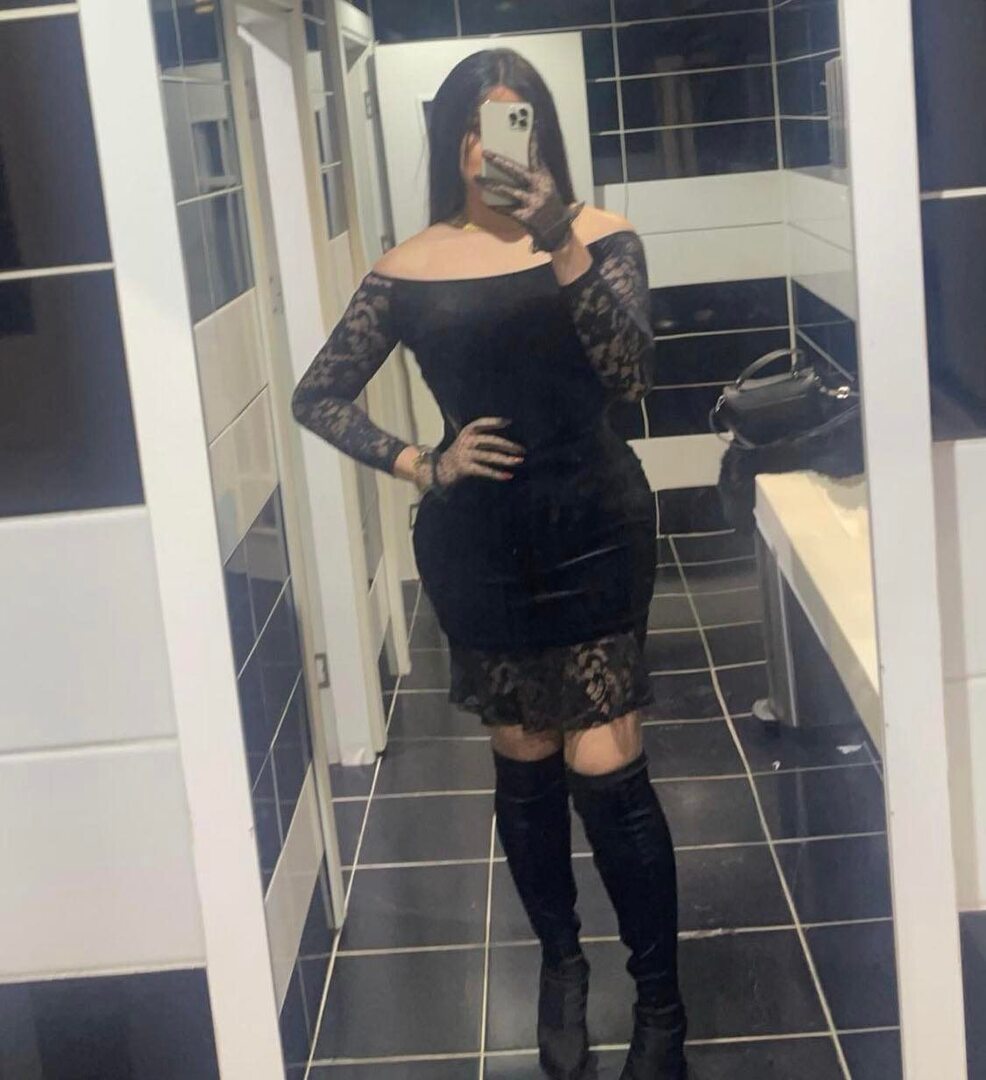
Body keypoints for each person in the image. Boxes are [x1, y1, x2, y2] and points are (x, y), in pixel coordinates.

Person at [292, 48, 687, 1080]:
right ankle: (561, 966)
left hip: (595, 526)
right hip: (480, 548)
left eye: (515, 121)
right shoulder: (410, 266)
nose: (493, 144)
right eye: (476, 124)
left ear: (540, 134)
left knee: (607, 767)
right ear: (451, 140)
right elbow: (317, 394)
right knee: (525, 759)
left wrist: (556, 235)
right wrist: (421, 461)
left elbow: (630, 374)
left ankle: (660, 1005)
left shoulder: (600, 237)